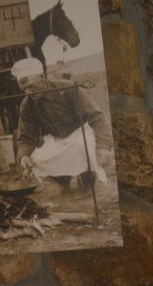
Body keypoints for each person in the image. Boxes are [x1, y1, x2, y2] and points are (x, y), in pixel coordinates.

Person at [11, 57, 114, 188]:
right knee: (36, 159)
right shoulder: (27, 104)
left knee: (85, 146)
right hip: (57, 140)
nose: (28, 92)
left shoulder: (67, 88)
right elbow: (26, 137)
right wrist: (23, 156)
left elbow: (96, 117)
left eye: (31, 86)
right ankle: (64, 180)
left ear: (42, 77)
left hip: (81, 134)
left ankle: (88, 177)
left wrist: (104, 146)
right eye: (24, 89)